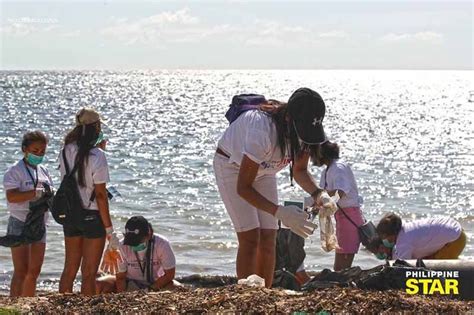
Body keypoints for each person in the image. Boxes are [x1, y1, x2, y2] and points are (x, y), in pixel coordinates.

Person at [214, 87, 331, 288]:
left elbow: (300, 171)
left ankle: (264, 294)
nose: (305, 138)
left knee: (269, 236)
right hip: (232, 167)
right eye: (302, 132)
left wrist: (319, 193)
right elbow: (243, 188)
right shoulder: (262, 130)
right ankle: (246, 296)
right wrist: (280, 212)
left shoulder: (306, 132)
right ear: (289, 119)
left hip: (265, 170)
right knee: (251, 236)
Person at [58, 108, 119, 295]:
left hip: (70, 214)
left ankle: (62, 306)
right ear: (96, 127)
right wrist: (110, 230)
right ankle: (85, 308)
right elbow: (100, 195)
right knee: (89, 272)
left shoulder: (65, 150)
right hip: (92, 216)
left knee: (69, 268)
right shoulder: (98, 155)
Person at [2, 131, 53, 297]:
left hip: (39, 223)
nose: (39, 155)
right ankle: (13, 306)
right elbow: (12, 196)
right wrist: (34, 193)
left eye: (42, 152)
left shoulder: (43, 170)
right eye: (35, 151)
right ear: (25, 149)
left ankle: (28, 304)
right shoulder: (14, 171)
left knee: (34, 271)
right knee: (21, 270)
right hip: (20, 222)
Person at [311, 140, 364, 271]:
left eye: (313, 154)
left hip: (349, 216)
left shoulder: (338, 168)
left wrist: (321, 197)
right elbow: (322, 197)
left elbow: (341, 192)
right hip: (341, 217)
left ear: (320, 153)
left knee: (341, 267)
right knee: (339, 264)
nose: (311, 158)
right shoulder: (327, 170)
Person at [96, 216, 177, 293]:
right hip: (130, 282)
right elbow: (121, 277)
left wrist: (150, 289)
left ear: (149, 234)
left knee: (178, 289)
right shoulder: (122, 246)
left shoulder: (162, 244)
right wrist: (122, 295)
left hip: (156, 282)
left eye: (137, 242)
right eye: (131, 242)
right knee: (98, 284)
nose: (134, 245)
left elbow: (169, 274)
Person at [376, 213, 466, 260]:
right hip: (455, 228)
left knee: (439, 265)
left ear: (391, 235)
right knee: (428, 259)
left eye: (384, 237)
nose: (384, 240)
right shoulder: (406, 228)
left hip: (455, 239)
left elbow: (404, 266)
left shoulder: (403, 243)